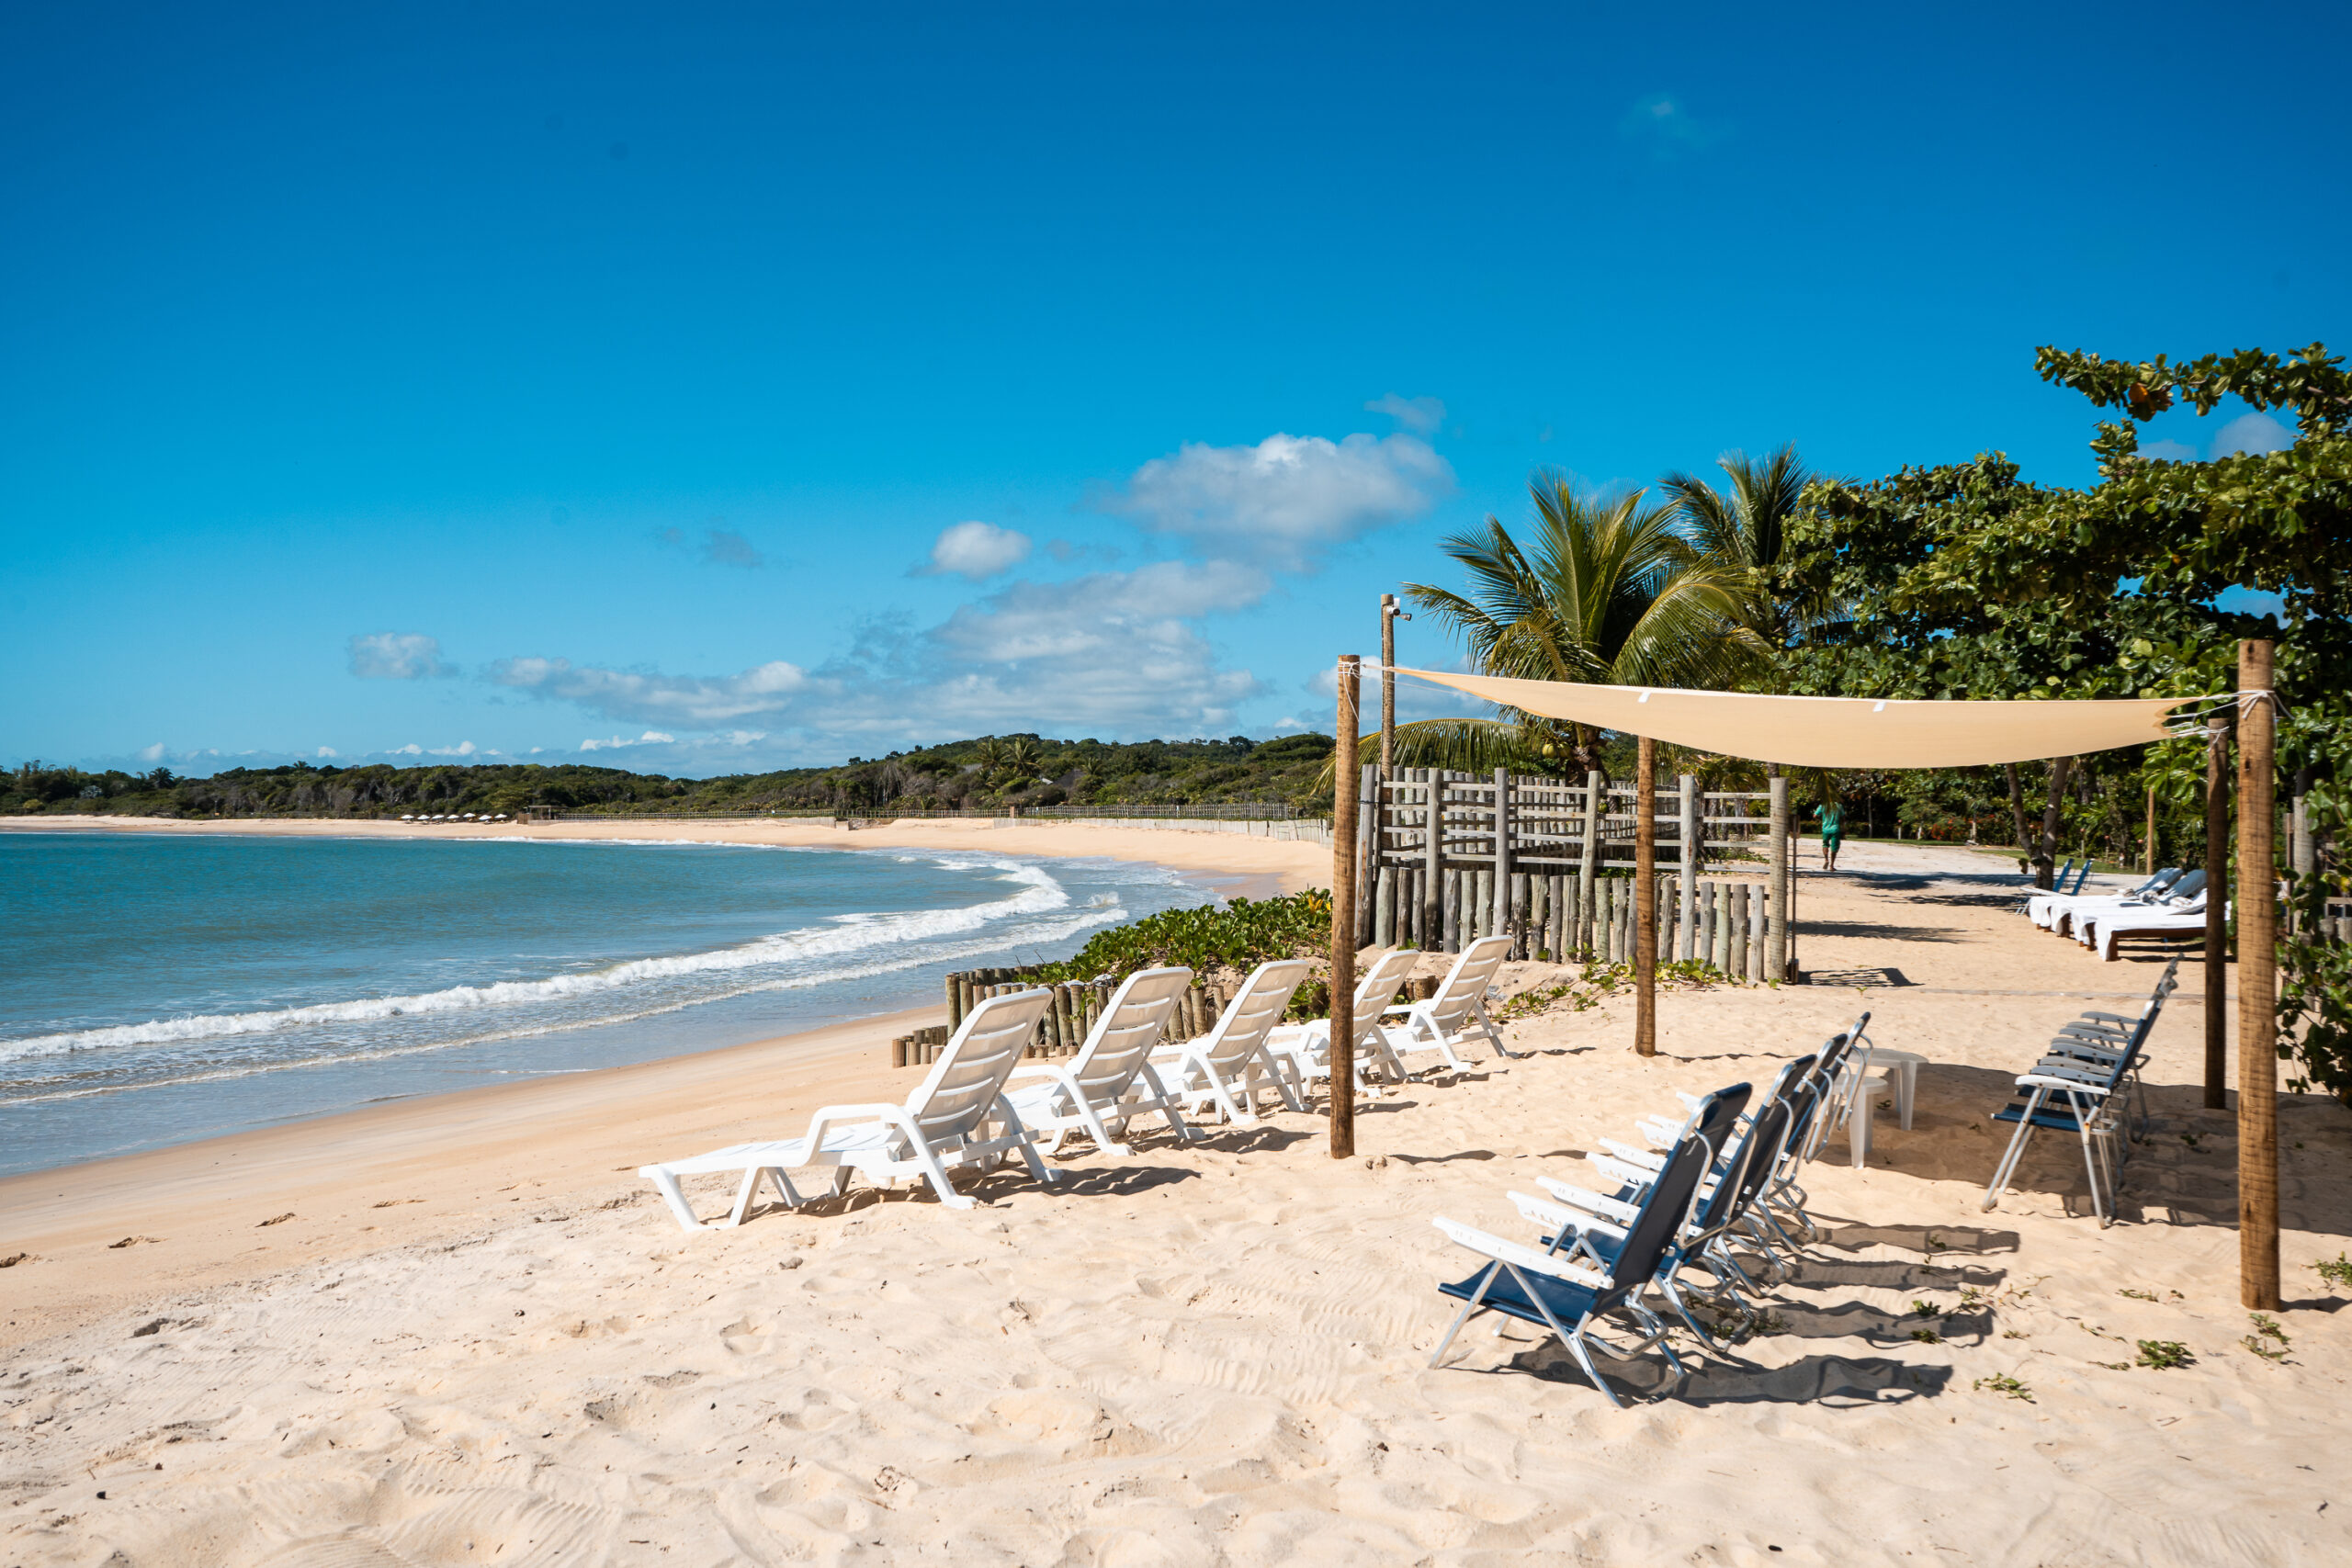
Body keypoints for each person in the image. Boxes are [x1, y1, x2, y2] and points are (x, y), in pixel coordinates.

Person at [1816, 797, 1844, 872]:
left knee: (1825, 845)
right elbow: (1843, 817)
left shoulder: (1823, 806)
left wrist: (1822, 820)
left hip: (1825, 829)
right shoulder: (1839, 806)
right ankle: (1831, 865)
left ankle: (1826, 860)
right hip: (1835, 829)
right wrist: (1843, 826)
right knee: (1834, 848)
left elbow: (1815, 815)